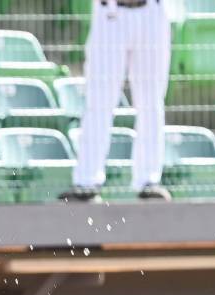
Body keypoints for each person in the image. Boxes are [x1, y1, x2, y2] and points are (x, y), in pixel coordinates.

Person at [63, 0, 171, 203]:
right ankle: (86, 182)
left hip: (152, 12)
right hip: (111, 12)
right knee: (99, 101)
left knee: (151, 102)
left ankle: (148, 181)